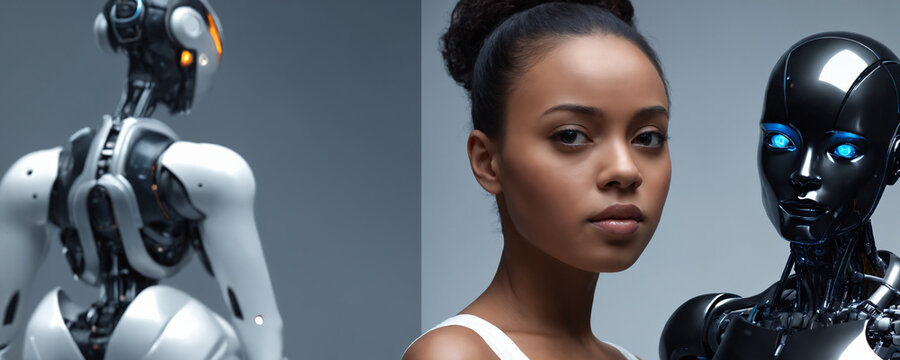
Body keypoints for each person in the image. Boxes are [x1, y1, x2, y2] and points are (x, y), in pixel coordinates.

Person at [405, 1, 670, 358]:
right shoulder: (456, 354)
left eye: (648, 137)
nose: (625, 170)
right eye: (571, 135)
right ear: (487, 162)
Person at [660, 32, 900, 360]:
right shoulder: (705, 328)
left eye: (843, 150)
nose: (802, 173)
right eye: (781, 141)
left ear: (895, 160)